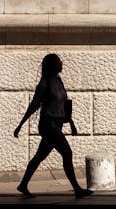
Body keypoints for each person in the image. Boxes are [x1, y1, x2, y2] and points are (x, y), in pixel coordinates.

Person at [13, 53, 93, 199]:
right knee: (67, 153)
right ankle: (77, 189)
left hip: (57, 124)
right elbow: (34, 105)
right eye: (58, 62)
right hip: (48, 125)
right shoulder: (45, 84)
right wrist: (20, 125)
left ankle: (23, 184)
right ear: (52, 65)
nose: (61, 64)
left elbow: (65, 104)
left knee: (39, 157)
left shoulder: (58, 81)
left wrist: (72, 124)